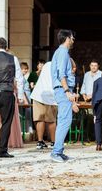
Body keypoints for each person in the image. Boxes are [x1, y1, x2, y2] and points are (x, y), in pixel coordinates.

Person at [50, 30, 77, 163]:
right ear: (67, 38)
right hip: (63, 89)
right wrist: (67, 91)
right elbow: (61, 74)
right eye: (72, 38)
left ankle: (59, 151)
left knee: (63, 120)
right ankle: (56, 152)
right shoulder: (63, 52)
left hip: (62, 88)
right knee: (65, 120)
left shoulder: (60, 52)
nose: (73, 40)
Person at [30, 61, 57, 149]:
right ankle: (53, 142)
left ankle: (40, 142)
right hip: (50, 94)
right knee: (51, 120)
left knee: (40, 119)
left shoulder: (47, 64)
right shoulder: (58, 65)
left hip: (38, 93)